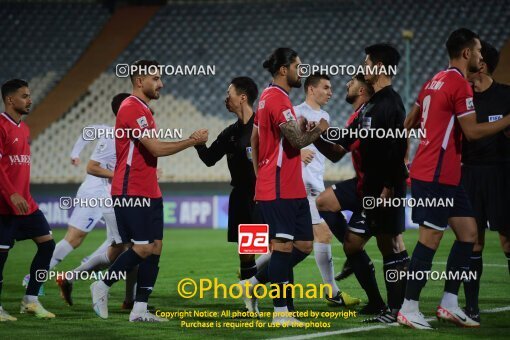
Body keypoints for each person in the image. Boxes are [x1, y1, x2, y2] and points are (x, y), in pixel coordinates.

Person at [398, 28, 510, 329]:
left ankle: (449, 301)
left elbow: (409, 121)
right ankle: (408, 307)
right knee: (430, 238)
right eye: (477, 51)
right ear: (466, 54)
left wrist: (406, 154)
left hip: (447, 174)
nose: (480, 56)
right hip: (435, 174)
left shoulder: (434, 80)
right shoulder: (460, 85)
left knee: (469, 233)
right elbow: (472, 132)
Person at [89, 59, 208, 322]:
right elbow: (155, 149)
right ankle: (102, 285)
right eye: (155, 78)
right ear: (139, 81)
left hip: (149, 190)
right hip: (131, 190)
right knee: (141, 248)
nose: (161, 83)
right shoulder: (131, 108)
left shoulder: (144, 110)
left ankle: (140, 310)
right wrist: (192, 141)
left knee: (154, 247)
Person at [242, 48, 329, 326]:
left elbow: (255, 141)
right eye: (297, 67)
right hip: (279, 187)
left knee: (303, 245)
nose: (300, 72)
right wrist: (320, 128)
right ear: (284, 70)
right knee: (281, 248)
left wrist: (260, 175)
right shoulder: (277, 98)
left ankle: (253, 282)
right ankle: (281, 313)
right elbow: (297, 142)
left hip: (290, 187)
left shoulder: (271, 99)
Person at [56, 93, 141, 310]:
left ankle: (71, 278)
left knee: (123, 249)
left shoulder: (129, 135)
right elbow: (92, 167)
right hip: (109, 197)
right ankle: (126, 299)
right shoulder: (114, 136)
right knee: (131, 249)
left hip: (121, 197)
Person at [314, 73, 385, 314]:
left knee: (387, 246)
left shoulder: (371, 113)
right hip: (360, 184)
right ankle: (352, 251)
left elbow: (350, 140)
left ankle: (385, 304)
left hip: (376, 187)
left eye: (352, 82)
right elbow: (336, 153)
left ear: (363, 90)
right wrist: (316, 137)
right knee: (323, 203)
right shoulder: (358, 115)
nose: (346, 85)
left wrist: (324, 131)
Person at [194, 76, 266, 294]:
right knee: (246, 253)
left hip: (263, 196)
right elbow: (209, 159)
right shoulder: (230, 133)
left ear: (242, 97)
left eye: (229, 94)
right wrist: (198, 144)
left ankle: (283, 304)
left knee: (275, 249)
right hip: (242, 197)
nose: (226, 98)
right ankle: (251, 304)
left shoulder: (264, 126)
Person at [295, 72, 360, 307]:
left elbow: (331, 149)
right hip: (303, 182)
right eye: (326, 87)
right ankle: (332, 292)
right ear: (311, 89)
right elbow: (282, 142)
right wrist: (298, 151)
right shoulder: (296, 111)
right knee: (322, 234)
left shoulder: (324, 115)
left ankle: (253, 276)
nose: (331, 92)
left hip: (315, 181)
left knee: (293, 241)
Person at [461, 40, 510, 322]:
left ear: (482, 64)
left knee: (507, 240)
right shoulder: (463, 96)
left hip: (502, 173)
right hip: (470, 174)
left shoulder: (506, 95)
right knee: (473, 241)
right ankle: (472, 306)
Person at [0, 79, 56, 320]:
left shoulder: (23, 128)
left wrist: (20, 193)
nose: (30, 99)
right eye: (24, 96)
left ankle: (30, 300)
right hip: (3, 206)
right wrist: (10, 192)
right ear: (10, 100)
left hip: (26, 203)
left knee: (47, 245)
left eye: (30, 95)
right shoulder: (0, 126)